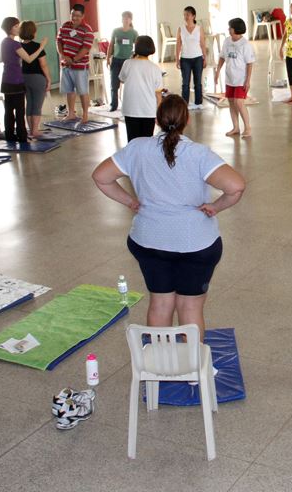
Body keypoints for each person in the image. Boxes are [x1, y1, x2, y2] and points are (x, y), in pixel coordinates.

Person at [92, 95, 246, 338]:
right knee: (190, 306)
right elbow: (235, 186)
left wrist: (130, 201)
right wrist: (215, 207)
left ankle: (160, 365)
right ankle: (192, 368)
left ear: (157, 120)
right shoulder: (197, 153)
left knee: (160, 303)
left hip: (148, 241)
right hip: (196, 244)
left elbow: (101, 177)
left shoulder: (138, 147)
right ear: (186, 121)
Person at [119, 36, 164, 141]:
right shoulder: (155, 68)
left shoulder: (127, 63)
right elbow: (158, 95)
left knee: (132, 141)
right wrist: (159, 113)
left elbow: (121, 79)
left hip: (130, 109)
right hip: (148, 110)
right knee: (146, 141)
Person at [217, 17, 256, 138]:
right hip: (230, 78)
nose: (229, 29)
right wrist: (217, 70)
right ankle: (236, 127)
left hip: (241, 80)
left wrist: (248, 80)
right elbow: (222, 56)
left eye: (230, 28)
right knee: (231, 102)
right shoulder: (227, 41)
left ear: (235, 29)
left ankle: (248, 127)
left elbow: (250, 63)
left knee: (239, 102)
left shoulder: (245, 45)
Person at [56, 3, 96, 123]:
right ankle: (71, 113)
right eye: (73, 15)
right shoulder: (65, 26)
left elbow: (85, 48)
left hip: (80, 66)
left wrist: (73, 59)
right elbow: (58, 41)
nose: (74, 18)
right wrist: (63, 56)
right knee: (69, 90)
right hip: (66, 65)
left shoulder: (87, 30)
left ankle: (85, 115)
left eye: (77, 16)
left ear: (83, 16)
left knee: (83, 91)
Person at [18, 20, 51, 138]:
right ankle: (35, 130)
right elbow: (43, 65)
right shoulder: (37, 46)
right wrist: (48, 79)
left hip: (23, 77)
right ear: (33, 32)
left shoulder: (18, 46)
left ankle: (31, 129)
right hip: (37, 78)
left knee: (29, 103)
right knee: (37, 105)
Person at [0, 16, 28, 143]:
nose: (18, 29)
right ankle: (22, 136)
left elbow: (1, 59)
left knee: (9, 111)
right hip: (16, 81)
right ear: (10, 28)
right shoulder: (15, 43)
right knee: (20, 111)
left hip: (6, 80)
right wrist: (41, 46)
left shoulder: (4, 42)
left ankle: (9, 135)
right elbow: (29, 59)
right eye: (16, 26)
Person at [176, 6, 207, 110]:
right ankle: (185, 103)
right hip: (185, 59)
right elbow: (178, 44)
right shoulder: (181, 29)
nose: (186, 17)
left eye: (188, 15)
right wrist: (177, 59)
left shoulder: (199, 29)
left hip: (198, 58)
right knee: (185, 83)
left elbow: (202, 43)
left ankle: (198, 102)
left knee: (198, 82)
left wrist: (205, 58)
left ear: (193, 16)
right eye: (184, 15)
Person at [107, 11, 138, 112]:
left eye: (127, 18)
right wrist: (108, 58)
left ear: (130, 20)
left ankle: (130, 104)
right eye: (124, 18)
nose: (125, 20)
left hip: (128, 61)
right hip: (116, 60)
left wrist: (135, 57)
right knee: (114, 84)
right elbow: (111, 45)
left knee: (129, 84)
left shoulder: (133, 33)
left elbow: (138, 46)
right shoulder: (116, 31)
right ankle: (114, 105)